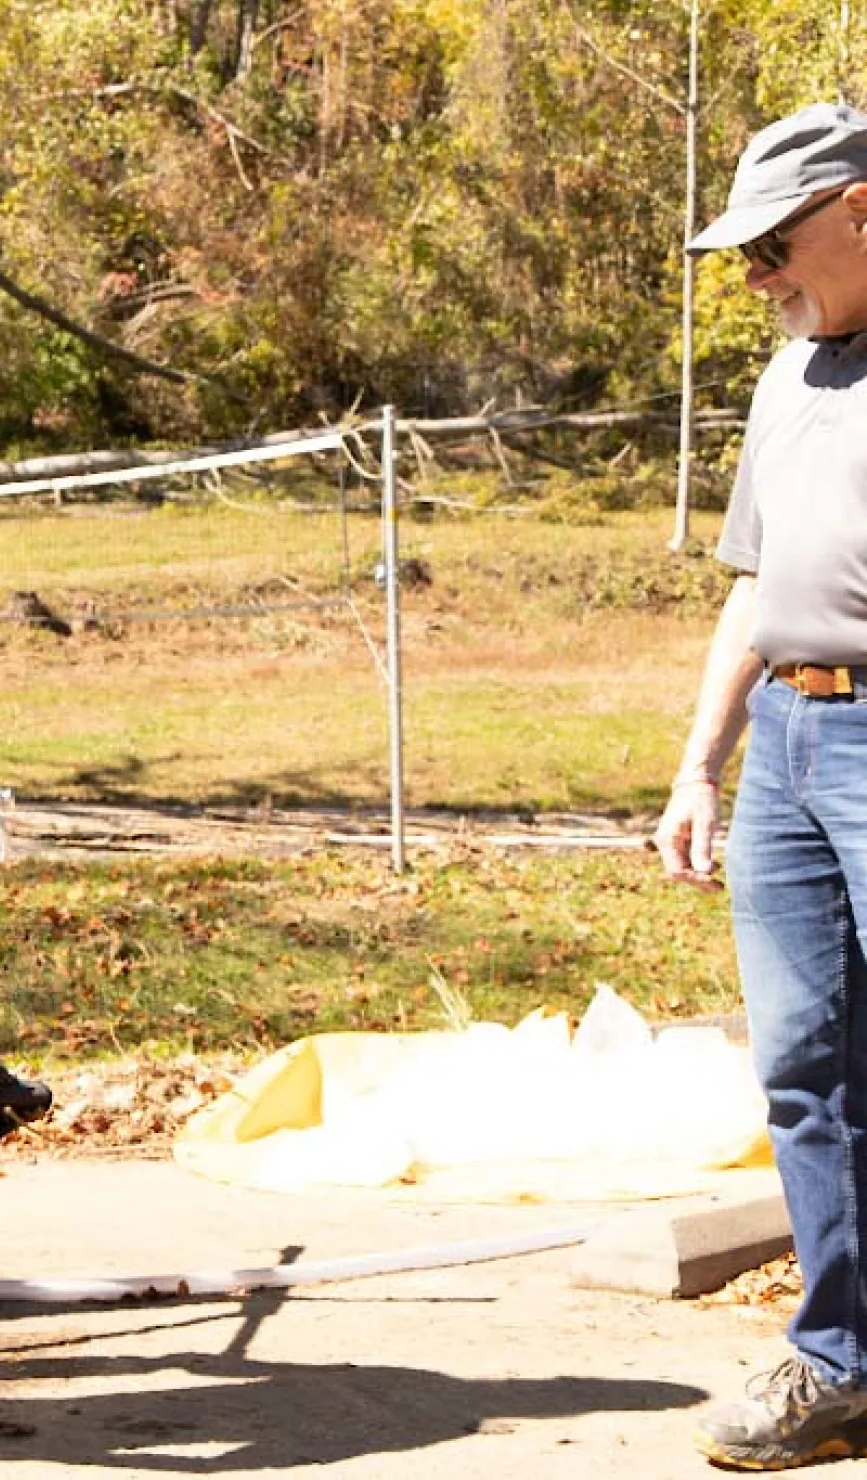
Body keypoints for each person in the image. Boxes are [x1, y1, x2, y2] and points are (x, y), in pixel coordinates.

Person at [657, 102, 867, 1472]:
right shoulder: (789, 375)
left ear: (858, 209)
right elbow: (753, 585)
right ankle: (839, 1361)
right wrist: (701, 761)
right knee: (803, 1071)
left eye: (774, 245)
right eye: (741, 257)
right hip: (791, 748)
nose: (758, 278)